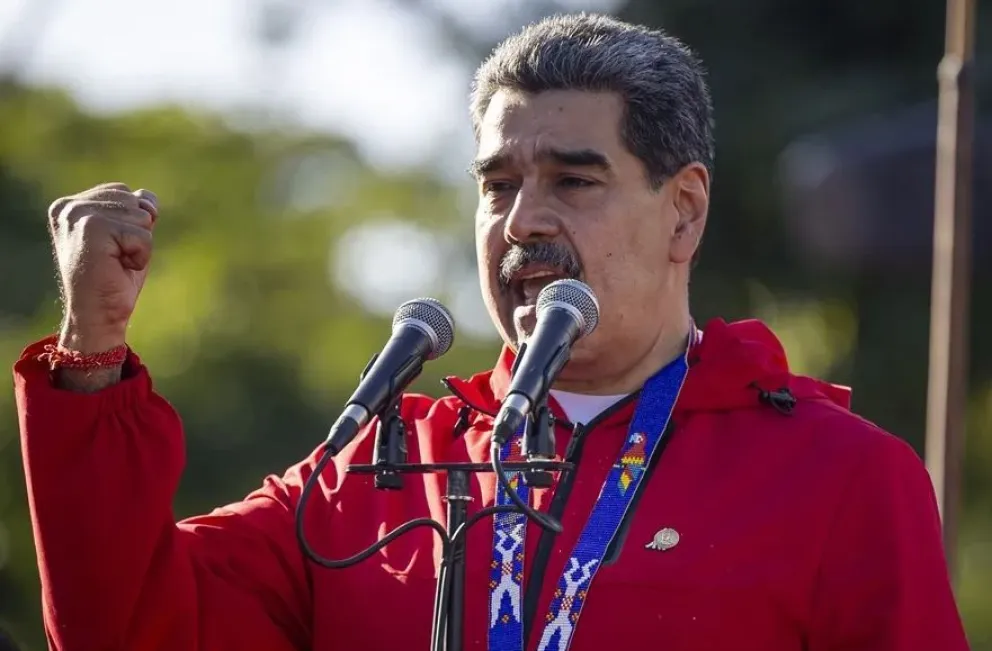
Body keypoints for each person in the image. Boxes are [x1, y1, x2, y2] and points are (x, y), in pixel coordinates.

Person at [13, 12, 968, 651]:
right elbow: (125, 623)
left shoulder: (838, 475)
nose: (522, 224)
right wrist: (91, 351)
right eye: (498, 186)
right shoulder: (377, 470)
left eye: (573, 181)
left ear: (683, 212)